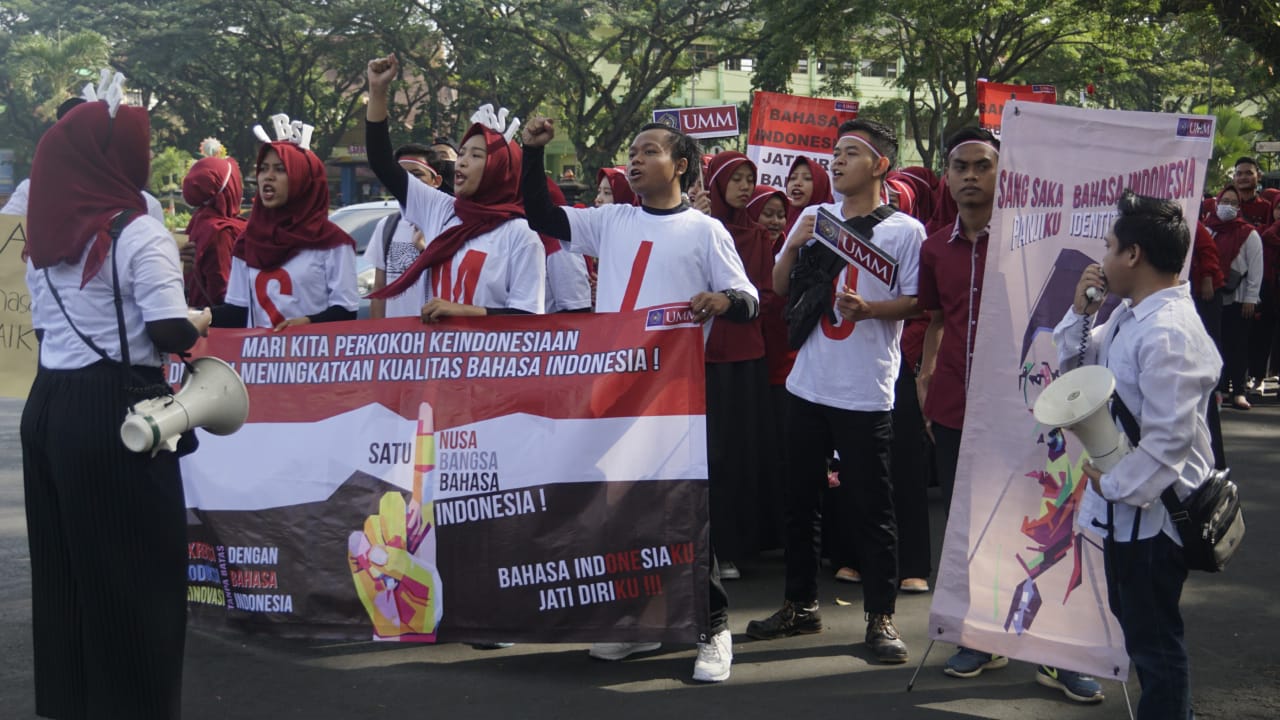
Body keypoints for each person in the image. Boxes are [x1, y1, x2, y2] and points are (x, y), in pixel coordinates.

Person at [521, 114, 759, 684]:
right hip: (612, 394)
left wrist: (722, 301)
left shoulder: (705, 232)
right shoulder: (612, 220)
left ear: (679, 166)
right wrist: (532, 154)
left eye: (650, 150)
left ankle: (713, 628)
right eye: (632, 150)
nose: (635, 158)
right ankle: (640, 624)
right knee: (621, 513)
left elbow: (747, 297)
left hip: (673, 398)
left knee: (682, 512)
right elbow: (542, 215)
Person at [22, 75, 211, 719]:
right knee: (138, 575)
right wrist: (201, 323)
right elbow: (166, 329)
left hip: (50, 406)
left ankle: (75, 703)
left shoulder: (45, 237)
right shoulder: (139, 230)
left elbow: (52, 325)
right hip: (119, 412)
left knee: (69, 573)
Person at [917, 128, 1103, 701]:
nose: (970, 176)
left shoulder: (1033, 242)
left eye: (983, 165)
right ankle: (985, 638)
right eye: (960, 167)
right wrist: (926, 381)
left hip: (1032, 407)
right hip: (955, 406)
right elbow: (935, 319)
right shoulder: (933, 246)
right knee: (969, 524)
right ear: (946, 177)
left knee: (1046, 523)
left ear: (1005, 175)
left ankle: (1057, 653)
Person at [746, 119, 921, 664]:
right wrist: (793, 246)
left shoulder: (903, 231)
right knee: (800, 501)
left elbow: (917, 301)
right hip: (808, 384)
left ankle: (880, 618)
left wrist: (871, 310)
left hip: (865, 389)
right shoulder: (812, 218)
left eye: (850, 153)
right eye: (834, 153)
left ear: (879, 166)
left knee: (872, 507)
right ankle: (800, 605)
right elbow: (777, 288)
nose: (835, 162)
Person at [1054, 190, 1219, 720]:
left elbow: (1170, 441)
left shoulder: (1169, 333)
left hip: (1155, 518)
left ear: (1133, 255)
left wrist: (1115, 484)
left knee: (1155, 645)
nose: (1101, 259)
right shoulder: (1134, 314)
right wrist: (1082, 311)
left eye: (1108, 247)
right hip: (1132, 512)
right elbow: (1079, 363)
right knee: (1141, 626)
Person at [365, 55, 546, 319]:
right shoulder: (443, 211)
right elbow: (383, 164)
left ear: (499, 170)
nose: (461, 162)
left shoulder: (520, 235)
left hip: (488, 359)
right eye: (462, 153)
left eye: (475, 156)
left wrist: (464, 312)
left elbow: (527, 317)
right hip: (435, 358)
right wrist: (377, 92)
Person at [700, 152, 774, 579]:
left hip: (746, 352)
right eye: (737, 178)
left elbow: (760, 293)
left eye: (751, 179)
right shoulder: (700, 229)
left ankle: (731, 546)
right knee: (711, 453)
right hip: (706, 352)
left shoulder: (758, 235)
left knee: (739, 454)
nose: (745, 187)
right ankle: (708, 545)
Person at [209, 124, 359, 329]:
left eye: (280, 169)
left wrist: (308, 323)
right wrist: (199, 318)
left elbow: (346, 311)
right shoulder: (248, 241)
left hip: (316, 356)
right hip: (261, 359)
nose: (268, 177)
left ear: (303, 180)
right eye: (263, 169)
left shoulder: (333, 242)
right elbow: (237, 312)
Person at [746, 184, 791, 551]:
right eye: (767, 213)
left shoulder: (794, 252)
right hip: (753, 365)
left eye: (781, 214)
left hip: (788, 369)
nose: (775, 222)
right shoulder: (741, 251)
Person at [365, 144, 439, 319]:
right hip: (396, 340)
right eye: (400, 174)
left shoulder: (450, 225)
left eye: (417, 175)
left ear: (436, 181)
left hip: (437, 339)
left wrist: (424, 248)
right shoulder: (387, 226)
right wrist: (377, 338)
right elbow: (380, 289)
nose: (407, 181)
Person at [1206, 185, 1263, 409]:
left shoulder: (1248, 233)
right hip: (1214, 297)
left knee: (1238, 346)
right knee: (1216, 344)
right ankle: (1218, 389)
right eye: (1224, 201)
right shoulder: (1209, 229)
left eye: (1232, 202)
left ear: (1239, 207)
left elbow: (1256, 268)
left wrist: (1251, 298)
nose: (1227, 206)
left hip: (1239, 299)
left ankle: (1238, 391)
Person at [181, 156, 245, 307]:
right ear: (231, 188)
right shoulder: (220, 232)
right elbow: (222, 293)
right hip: (218, 324)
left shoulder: (199, 221)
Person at [783, 154, 832, 234]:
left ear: (821, 186)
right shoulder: (779, 220)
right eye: (793, 178)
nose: (797, 183)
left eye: (807, 178)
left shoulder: (832, 226)